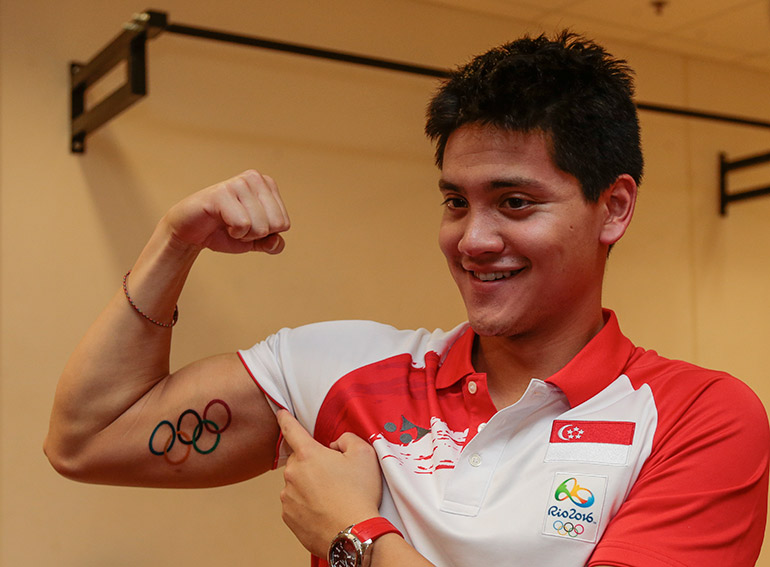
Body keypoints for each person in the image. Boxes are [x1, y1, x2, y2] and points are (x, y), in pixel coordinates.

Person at [45, 31, 768, 567]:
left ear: (613, 208)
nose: (473, 238)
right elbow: (87, 437)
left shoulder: (698, 418)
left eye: (515, 202)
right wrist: (175, 243)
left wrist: (353, 534)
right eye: (456, 201)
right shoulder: (340, 369)